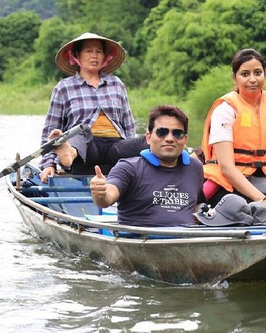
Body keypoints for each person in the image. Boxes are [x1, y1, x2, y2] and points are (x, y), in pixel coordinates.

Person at [38, 32, 148, 183]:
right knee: (80, 132)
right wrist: (48, 164)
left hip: (114, 145)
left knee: (148, 141)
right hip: (85, 147)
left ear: (104, 57)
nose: (94, 56)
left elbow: (128, 125)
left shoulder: (116, 84)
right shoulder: (64, 88)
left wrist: (132, 148)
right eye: (89, 51)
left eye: (99, 51)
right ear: (77, 55)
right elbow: (50, 130)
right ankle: (67, 153)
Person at [200, 48, 266, 214]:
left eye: (258, 73)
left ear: (265, 74)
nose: (252, 79)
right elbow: (227, 168)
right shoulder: (225, 110)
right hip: (231, 181)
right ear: (235, 78)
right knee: (242, 208)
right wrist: (263, 199)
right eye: (245, 74)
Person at [89, 105, 204, 227]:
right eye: (162, 132)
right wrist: (100, 192)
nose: (170, 138)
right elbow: (107, 198)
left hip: (186, 242)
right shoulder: (128, 167)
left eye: (177, 134)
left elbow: (196, 206)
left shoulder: (195, 167)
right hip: (141, 241)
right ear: (148, 138)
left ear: (185, 140)